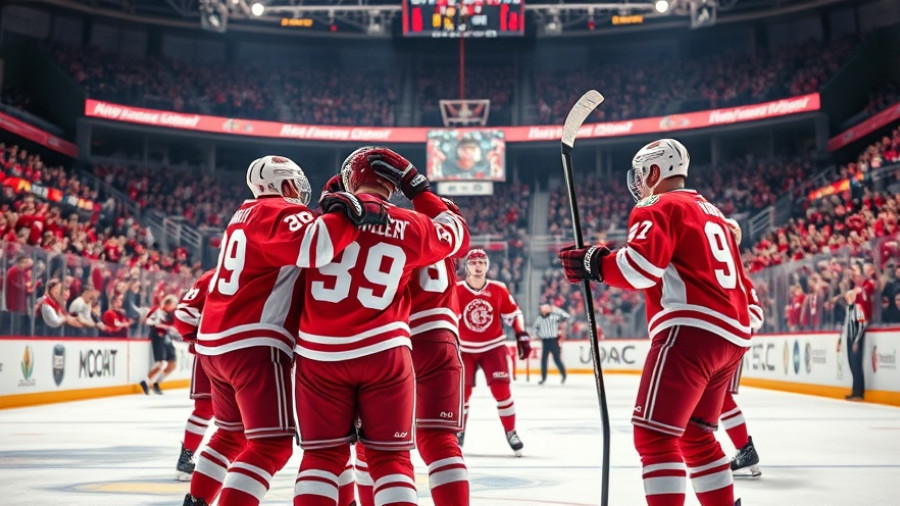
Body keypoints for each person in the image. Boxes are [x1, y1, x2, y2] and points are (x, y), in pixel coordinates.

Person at [558, 138, 756, 506]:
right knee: (695, 436)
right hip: (732, 338)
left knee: (653, 435)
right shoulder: (711, 211)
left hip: (690, 332)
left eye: (640, 174)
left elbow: (640, 269)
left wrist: (594, 264)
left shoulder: (657, 204)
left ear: (653, 171)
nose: (638, 183)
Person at [185, 155, 384, 506]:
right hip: (256, 340)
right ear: (287, 185)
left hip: (216, 343)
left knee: (230, 434)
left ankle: (196, 501)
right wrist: (346, 214)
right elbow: (315, 248)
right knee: (272, 446)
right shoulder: (280, 210)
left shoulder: (243, 214)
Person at [292, 147, 468, 506]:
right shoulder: (420, 222)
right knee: (399, 454)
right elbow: (458, 237)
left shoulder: (322, 221)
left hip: (320, 350)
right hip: (397, 342)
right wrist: (419, 188)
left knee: (323, 458)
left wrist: (328, 201)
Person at [354, 195, 471, 506]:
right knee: (440, 441)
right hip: (442, 338)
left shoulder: (401, 228)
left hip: (395, 341)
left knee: (375, 447)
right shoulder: (447, 241)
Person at [456, 248, 531, 456]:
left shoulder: (498, 289)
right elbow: (446, 317)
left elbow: (514, 314)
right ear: (467, 266)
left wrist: (521, 334)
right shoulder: (457, 290)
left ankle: (511, 432)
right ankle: (459, 432)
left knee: (502, 392)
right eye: (473, 262)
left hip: (493, 348)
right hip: (465, 349)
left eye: (482, 262)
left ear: (487, 266)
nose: (478, 266)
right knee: (462, 395)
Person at [719, 219, 765, 479]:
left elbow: (757, 315)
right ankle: (744, 450)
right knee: (717, 399)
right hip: (725, 342)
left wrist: (729, 319)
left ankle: (745, 450)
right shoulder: (728, 272)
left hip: (730, 344)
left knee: (720, 398)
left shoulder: (739, 277)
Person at [172, 270, 215, 482]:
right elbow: (183, 314)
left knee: (207, 408)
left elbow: (183, 315)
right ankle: (188, 454)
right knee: (208, 408)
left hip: (213, 349)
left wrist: (196, 339)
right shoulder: (265, 271)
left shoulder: (212, 276)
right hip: (246, 352)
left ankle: (188, 456)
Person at [141, 295, 179, 395]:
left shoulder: (172, 314)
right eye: (172, 305)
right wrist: (160, 325)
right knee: (161, 363)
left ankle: (156, 382)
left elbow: (174, 326)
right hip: (158, 337)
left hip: (168, 338)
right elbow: (149, 321)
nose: (173, 307)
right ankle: (146, 381)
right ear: (168, 303)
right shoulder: (156, 310)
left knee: (172, 364)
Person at [839, 288, 867, 401]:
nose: (848, 299)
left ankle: (859, 392)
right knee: (852, 365)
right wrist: (840, 340)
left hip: (856, 339)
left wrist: (856, 341)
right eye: (847, 297)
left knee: (856, 366)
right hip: (849, 339)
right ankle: (855, 391)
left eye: (850, 297)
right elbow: (845, 325)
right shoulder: (848, 309)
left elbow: (861, 326)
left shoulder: (858, 309)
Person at [532, 303, 569, 385]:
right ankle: (543, 378)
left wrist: (556, 309)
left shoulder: (553, 316)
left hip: (553, 340)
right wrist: (537, 335)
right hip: (545, 341)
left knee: (557, 359)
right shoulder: (539, 318)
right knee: (544, 360)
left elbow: (566, 316)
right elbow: (534, 328)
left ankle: (563, 375)